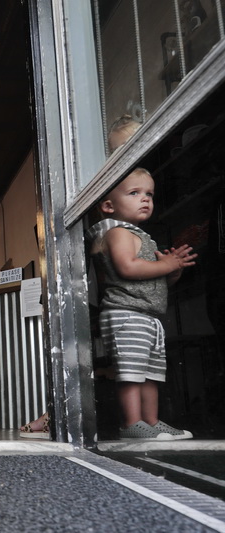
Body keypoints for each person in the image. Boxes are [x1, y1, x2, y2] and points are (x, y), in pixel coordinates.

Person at [86, 168, 196, 440]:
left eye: (149, 194)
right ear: (109, 205)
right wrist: (164, 263)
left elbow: (149, 283)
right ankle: (131, 422)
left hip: (145, 315)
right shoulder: (118, 232)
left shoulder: (140, 235)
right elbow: (127, 267)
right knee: (131, 372)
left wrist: (170, 273)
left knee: (150, 374)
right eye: (134, 193)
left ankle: (150, 421)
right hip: (126, 314)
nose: (145, 199)